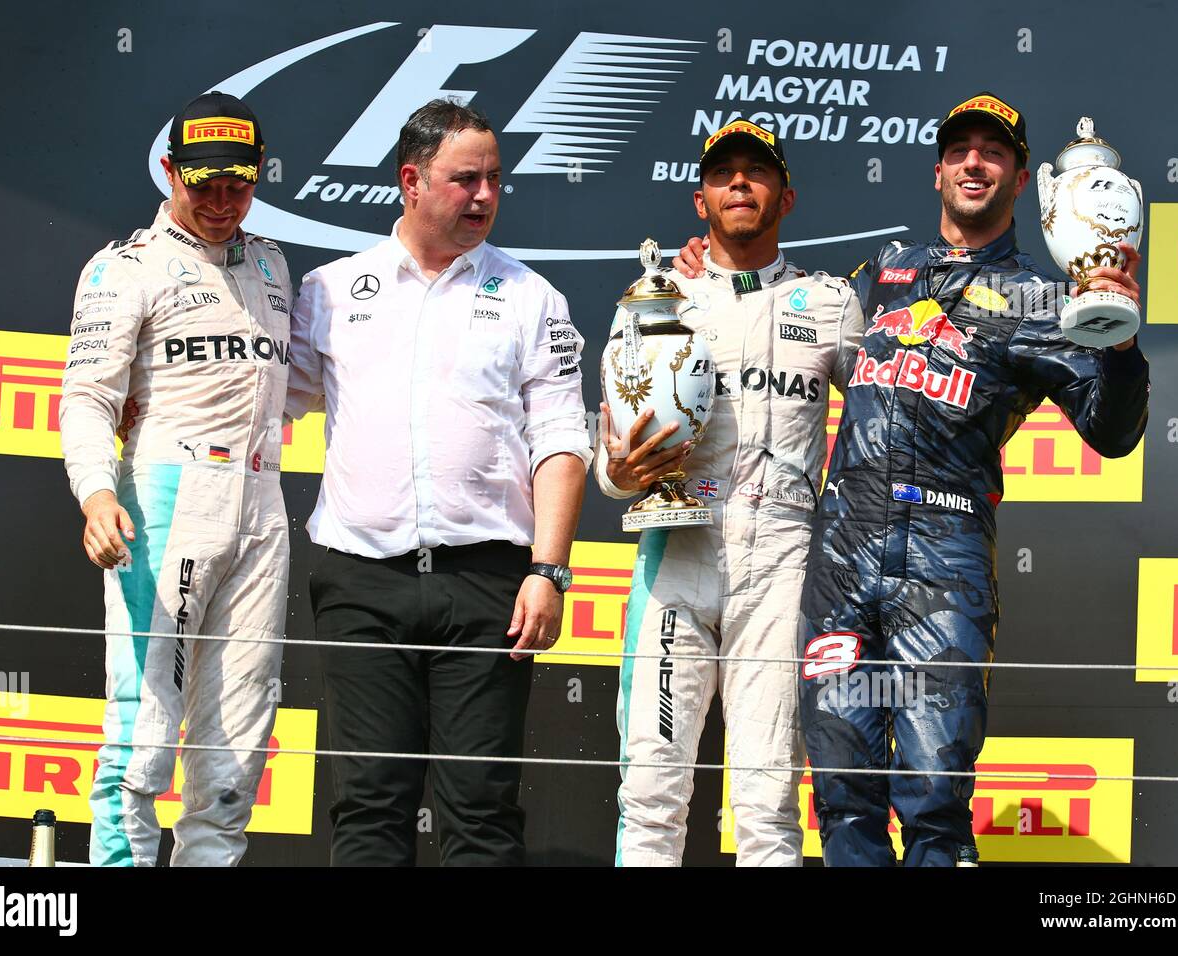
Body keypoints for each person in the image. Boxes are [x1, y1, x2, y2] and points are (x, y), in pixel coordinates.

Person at [680, 91, 1150, 866]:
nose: (974, 162)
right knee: (841, 791)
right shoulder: (879, 276)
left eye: (993, 152)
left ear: (1024, 179)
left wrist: (1122, 340)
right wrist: (706, 261)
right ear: (937, 172)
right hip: (841, 559)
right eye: (960, 150)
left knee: (933, 794)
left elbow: (1113, 431)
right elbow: (776, 306)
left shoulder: (1043, 299)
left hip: (943, 561)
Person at [286, 98, 591, 866]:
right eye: (465, 180)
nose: (485, 196)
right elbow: (263, 402)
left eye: (495, 179)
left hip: (488, 582)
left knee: (481, 811)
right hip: (360, 577)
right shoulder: (329, 290)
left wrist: (547, 571)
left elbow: (561, 439)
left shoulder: (532, 297)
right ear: (411, 181)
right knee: (368, 807)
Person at [598, 120, 864, 866]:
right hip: (677, 552)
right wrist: (623, 474)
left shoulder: (831, 302)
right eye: (723, 175)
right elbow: (607, 462)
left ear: (787, 196)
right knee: (650, 793)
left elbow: (885, 423)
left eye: (756, 172)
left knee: (768, 799)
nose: (739, 184)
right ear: (700, 199)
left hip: (784, 560)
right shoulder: (655, 302)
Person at [60, 91, 292, 866]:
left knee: (236, 746)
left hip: (263, 506)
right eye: (204, 185)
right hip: (167, 497)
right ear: (170, 172)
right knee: (143, 734)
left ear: (259, 174)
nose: (223, 201)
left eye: (240, 183)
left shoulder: (271, 263)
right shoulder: (122, 268)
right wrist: (96, 492)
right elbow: (88, 398)